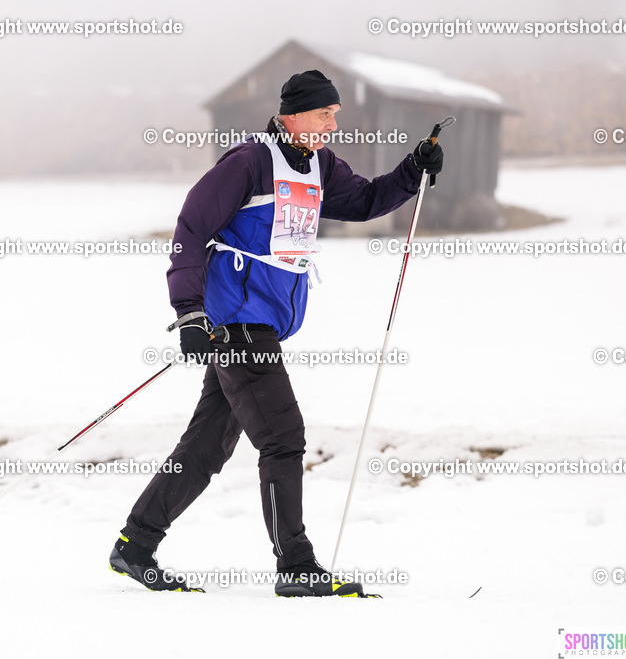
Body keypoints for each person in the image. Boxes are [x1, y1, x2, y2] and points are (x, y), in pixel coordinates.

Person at [109, 70, 444, 596]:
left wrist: (412, 170)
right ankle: (296, 566)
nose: (332, 124)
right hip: (239, 322)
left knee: (208, 444)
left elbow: (364, 201)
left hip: (262, 322)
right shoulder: (249, 162)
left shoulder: (319, 165)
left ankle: (135, 544)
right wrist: (189, 312)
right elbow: (191, 228)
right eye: (324, 114)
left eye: (335, 115)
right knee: (283, 437)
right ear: (293, 115)